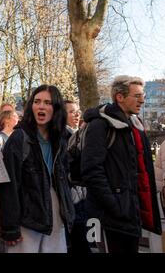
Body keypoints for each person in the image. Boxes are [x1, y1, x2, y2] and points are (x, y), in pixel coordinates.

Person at [81, 75, 162, 253]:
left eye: (143, 96)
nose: (142, 100)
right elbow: (91, 170)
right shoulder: (100, 125)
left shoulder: (135, 126)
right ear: (120, 97)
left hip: (130, 216)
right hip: (109, 219)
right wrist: (115, 205)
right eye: (137, 95)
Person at [0, 85, 74, 253]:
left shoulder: (61, 138)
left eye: (47, 102)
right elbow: (8, 185)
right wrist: (10, 228)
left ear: (56, 108)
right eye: (37, 101)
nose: (41, 106)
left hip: (55, 214)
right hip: (27, 217)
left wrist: (68, 212)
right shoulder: (19, 138)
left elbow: (64, 179)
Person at [64, 100, 90, 254]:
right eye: (72, 111)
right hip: (73, 197)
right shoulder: (63, 137)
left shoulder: (77, 134)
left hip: (81, 196)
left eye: (78, 110)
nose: (77, 114)